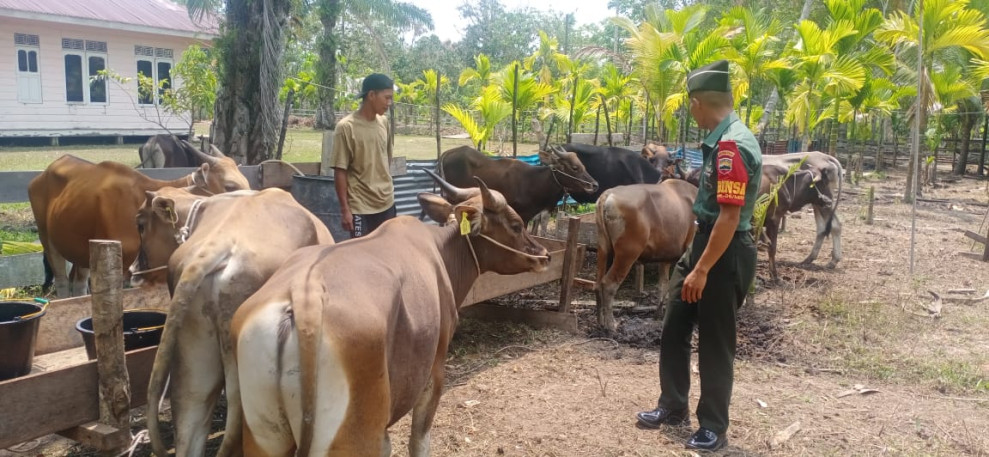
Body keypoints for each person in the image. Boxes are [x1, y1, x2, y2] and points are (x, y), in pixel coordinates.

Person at [635, 60, 762, 452]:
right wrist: (694, 257)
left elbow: (729, 215)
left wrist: (702, 268)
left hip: (724, 253)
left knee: (714, 341)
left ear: (697, 103)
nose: (689, 113)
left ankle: (713, 426)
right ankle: (672, 406)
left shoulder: (732, 147)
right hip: (703, 244)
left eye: (689, 107)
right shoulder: (721, 140)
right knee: (675, 324)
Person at [331, 73, 396, 238]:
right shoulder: (346, 128)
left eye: (391, 98)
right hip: (360, 208)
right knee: (361, 256)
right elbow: (340, 171)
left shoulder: (384, 123)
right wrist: (345, 209)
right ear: (371, 95)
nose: (390, 103)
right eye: (386, 98)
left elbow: (386, 158)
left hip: (386, 203)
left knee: (388, 252)